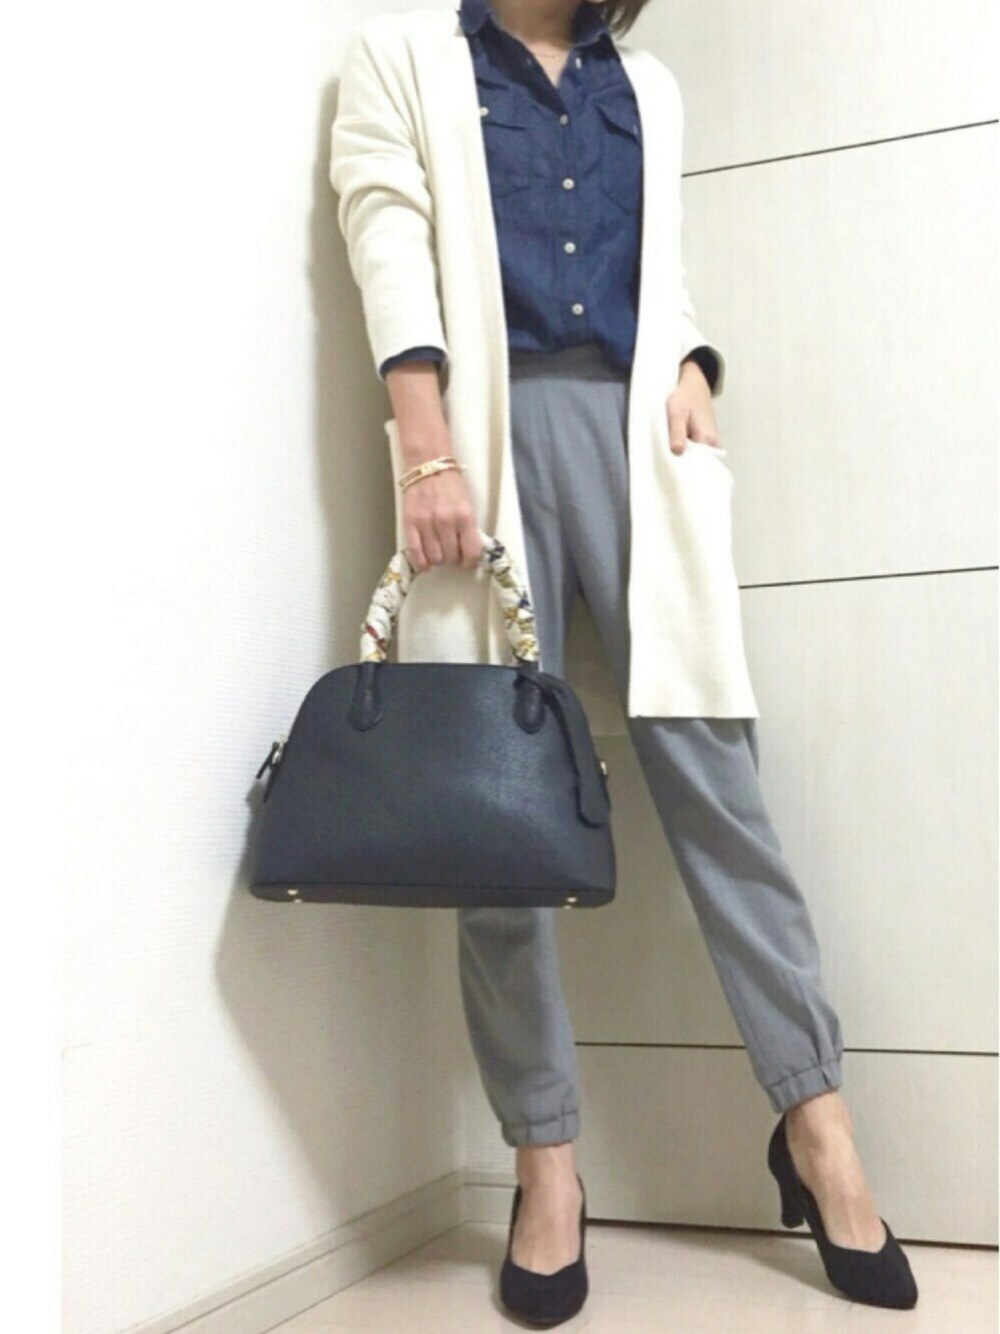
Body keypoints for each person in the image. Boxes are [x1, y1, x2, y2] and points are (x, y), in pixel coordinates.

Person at [330, 0, 918, 1322]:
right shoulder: (405, 62)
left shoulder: (645, 85)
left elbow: (663, 271)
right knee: (497, 817)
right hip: (483, 444)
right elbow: (390, 236)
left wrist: (694, 363)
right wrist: (424, 449)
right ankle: (547, 1168)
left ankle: (817, 1124)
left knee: (719, 787)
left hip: (643, 452)